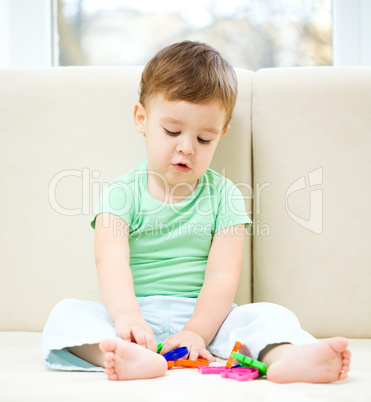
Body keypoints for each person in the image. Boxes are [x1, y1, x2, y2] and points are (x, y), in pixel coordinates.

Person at [42, 41, 351, 383]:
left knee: (268, 314)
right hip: (131, 316)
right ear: (141, 119)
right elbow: (110, 261)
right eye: (172, 131)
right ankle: (120, 354)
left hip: (208, 320)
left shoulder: (226, 197)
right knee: (66, 313)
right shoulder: (120, 194)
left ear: (222, 134)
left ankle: (287, 357)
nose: (187, 147)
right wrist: (129, 319)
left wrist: (197, 333)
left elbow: (222, 277)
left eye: (205, 139)